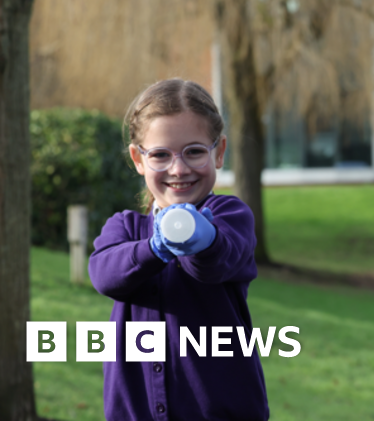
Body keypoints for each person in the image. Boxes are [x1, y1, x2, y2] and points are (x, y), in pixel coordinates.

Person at [89, 79, 267, 421]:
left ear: (219, 151)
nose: (179, 169)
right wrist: (155, 247)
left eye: (195, 151)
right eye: (160, 155)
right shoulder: (124, 228)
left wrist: (201, 236)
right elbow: (105, 277)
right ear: (138, 159)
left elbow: (214, 263)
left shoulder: (232, 216)